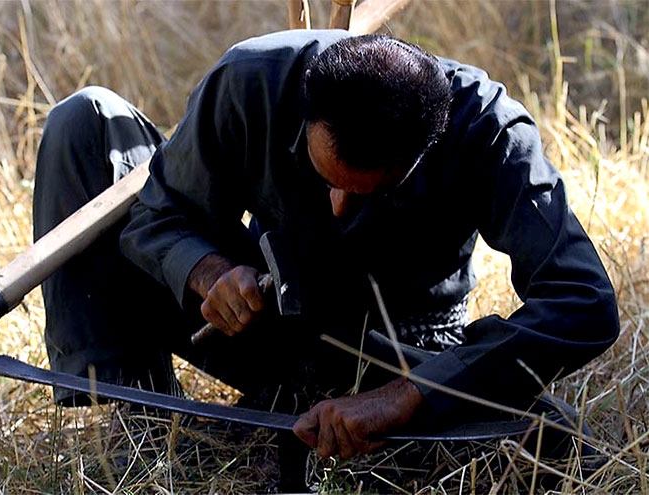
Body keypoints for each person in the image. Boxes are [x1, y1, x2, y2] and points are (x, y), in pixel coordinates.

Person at [33, 28, 619, 477]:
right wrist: (207, 272)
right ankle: (145, 426)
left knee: (546, 446)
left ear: (426, 147)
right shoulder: (253, 81)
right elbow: (155, 217)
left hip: (395, 350)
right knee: (83, 121)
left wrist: (406, 398)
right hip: (265, 320)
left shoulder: (490, 131)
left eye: (370, 191)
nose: (338, 207)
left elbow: (583, 301)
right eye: (324, 178)